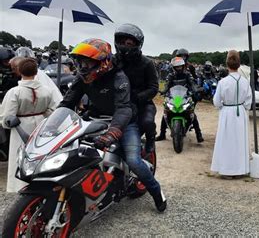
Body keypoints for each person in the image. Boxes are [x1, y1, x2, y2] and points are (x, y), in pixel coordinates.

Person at [59, 38, 166, 211]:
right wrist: (53, 123)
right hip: (94, 119)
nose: (83, 67)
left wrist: (113, 132)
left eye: (88, 62)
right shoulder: (81, 78)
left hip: (124, 122)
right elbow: (67, 102)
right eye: (81, 62)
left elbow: (124, 109)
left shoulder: (119, 77)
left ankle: (156, 191)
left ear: (103, 62)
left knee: (133, 160)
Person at [0, 58, 58, 192]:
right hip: (41, 125)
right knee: (39, 153)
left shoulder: (14, 92)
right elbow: (53, 110)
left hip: (21, 127)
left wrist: (6, 123)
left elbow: (7, 116)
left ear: (19, 71)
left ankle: (20, 185)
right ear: (36, 71)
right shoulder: (47, 90)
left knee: (20, 155)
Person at [113, 23, 158, 154]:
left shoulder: (147, 63)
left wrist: (136, 97)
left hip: (142, 103)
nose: (124, 45)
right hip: (119, 103)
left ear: (137, 44)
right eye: (121, 42)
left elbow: (154, 87)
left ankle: (150, 139)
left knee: (148, 122)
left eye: (129, 43)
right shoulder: (113, 61)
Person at [211, 50, 252, 177]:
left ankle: (226, 169)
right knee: (240, 141)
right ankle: (240, 169)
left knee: (227, 141)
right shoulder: (245, 82)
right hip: (241, 114)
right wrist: (241, 105)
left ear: (227, 65)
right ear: (239, 65)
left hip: (227, 113)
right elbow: (248, 102)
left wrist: (224, 106)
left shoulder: (223, 82)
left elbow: (216, 102)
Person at [156, 57, 203, 142]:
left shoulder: (187, 74)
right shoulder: (171, 75)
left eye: (180, 66)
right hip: (174, 97)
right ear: (174, 67)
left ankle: (198, 134)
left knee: (192, 114)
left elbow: (192, 83)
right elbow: (167, 85)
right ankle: (162, 134)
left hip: (185, 96)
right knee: (166, 113)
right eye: (177, 67)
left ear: (183, 66)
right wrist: (163, 91)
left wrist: (196, 89)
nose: (179, 68)